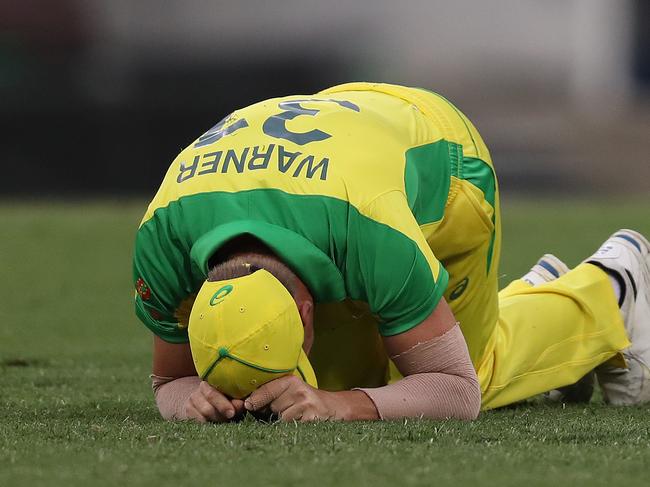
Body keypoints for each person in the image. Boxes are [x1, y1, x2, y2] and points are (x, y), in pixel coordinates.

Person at [133, 82, 650, 423]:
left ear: (307, 313)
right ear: (194, 302)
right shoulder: (161, 243)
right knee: (307, 400)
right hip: (347, 132)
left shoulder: (371, 230)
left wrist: (339, 406)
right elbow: (170, 380)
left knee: (440, 377)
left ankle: (610, 288)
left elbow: (455, 391)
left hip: (444, 162)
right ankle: (531, 301)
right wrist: (191, 402)